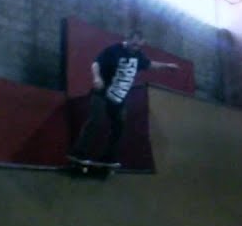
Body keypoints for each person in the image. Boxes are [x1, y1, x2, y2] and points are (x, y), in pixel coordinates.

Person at [69, 30, 180, 167]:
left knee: (119, 126)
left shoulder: (139, 55)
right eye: (133, 44)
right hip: (102, 93)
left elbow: (150, 64)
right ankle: (78, 153)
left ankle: (108, 157)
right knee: (95, 120)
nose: (135, 48)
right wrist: (97, 78)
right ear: (127, 40)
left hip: (118, 99)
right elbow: (96, 63)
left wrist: (167, 66)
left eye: (138, 46)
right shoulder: (114, 50)